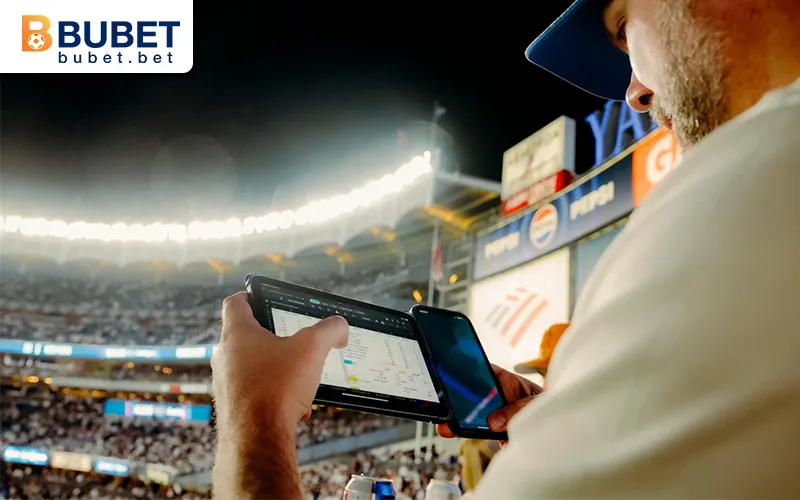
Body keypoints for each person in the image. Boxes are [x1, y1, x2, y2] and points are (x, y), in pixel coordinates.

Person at [212, 0, 800, 497]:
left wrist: (254, 419)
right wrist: (582, 425)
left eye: (624, 27)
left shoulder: (755, 180)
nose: (635, 94)